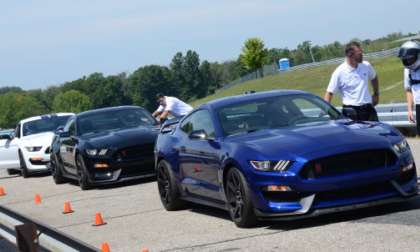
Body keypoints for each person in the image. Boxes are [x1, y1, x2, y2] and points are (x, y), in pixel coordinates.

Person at [324, 41, 380, 121]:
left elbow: (374, 77)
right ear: (350, 55)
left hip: (368, 109)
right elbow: (329, 93)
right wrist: (328, 112)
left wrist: (376, 94)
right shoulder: (339, 72)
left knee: (376, 132)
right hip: (351, 113)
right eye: (359, 53)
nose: (362, 55)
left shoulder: (366, 65)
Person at [398, 40, 420, 137]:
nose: (408, 61)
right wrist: (410, 110)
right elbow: (408, 90)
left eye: (410, 59)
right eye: (406, 59)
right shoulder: (407, 70)